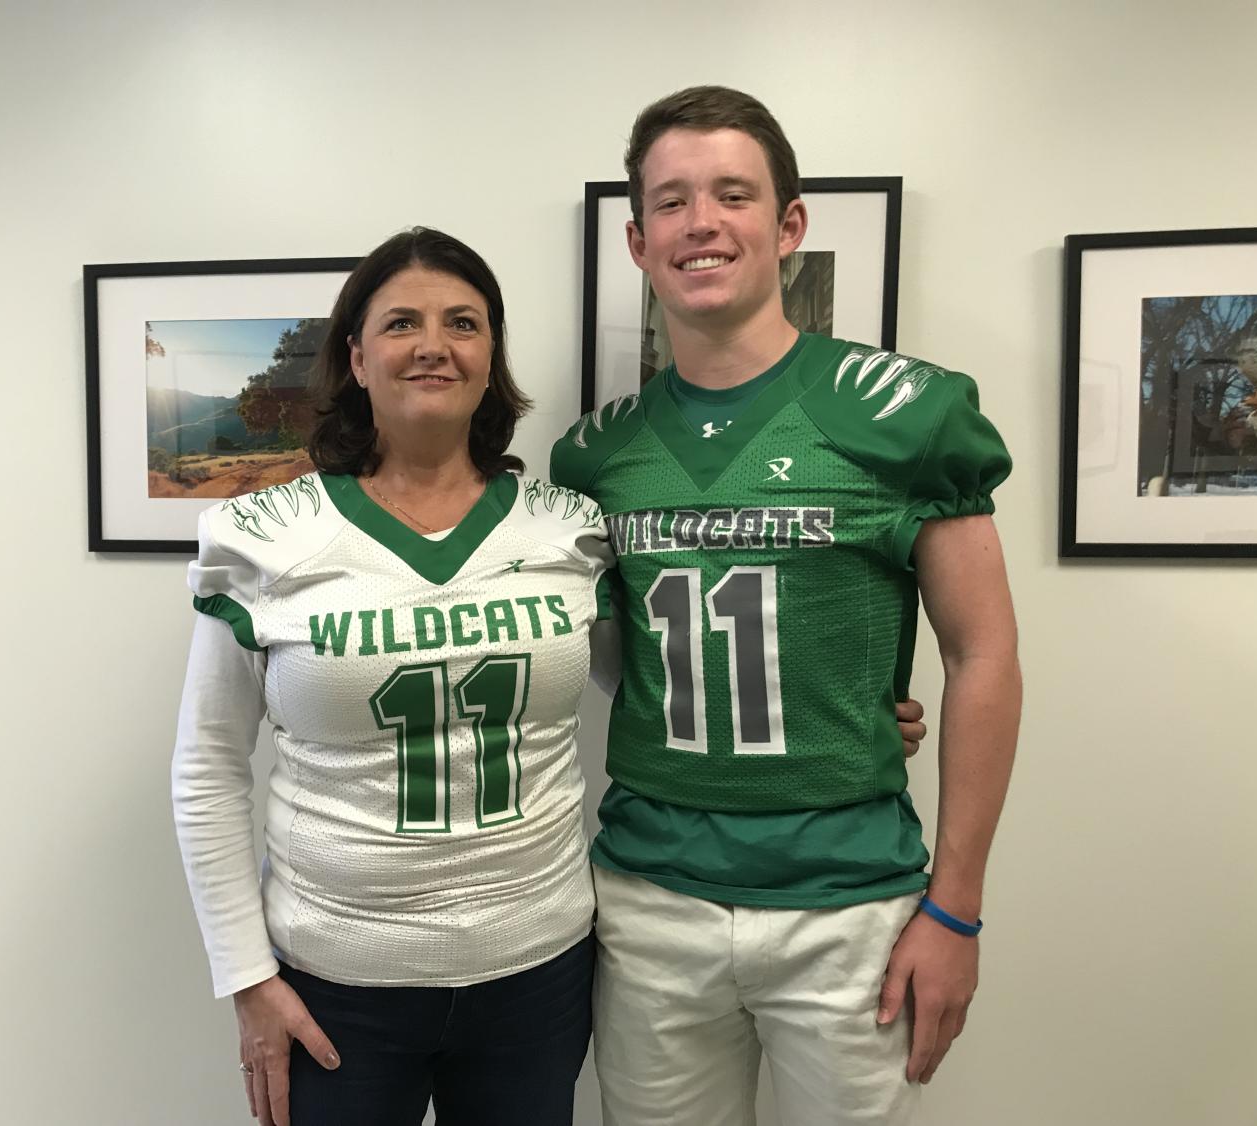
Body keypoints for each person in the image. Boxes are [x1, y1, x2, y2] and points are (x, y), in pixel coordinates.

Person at [171, 226, 931, 1126]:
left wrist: (825, 705)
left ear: (491, 356)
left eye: (463, 322)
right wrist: (247, 975)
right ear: (356, 356)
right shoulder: (266, 533)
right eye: (401, 323)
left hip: (537, 970)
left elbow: (652, 679)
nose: (432, 344)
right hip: (342, 975)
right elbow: (208, 768)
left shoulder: (565, 525)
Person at [550, 86, 1022, 1126]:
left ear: (788, 224)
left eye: (731, 193)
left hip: (847, 896)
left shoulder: (906, 410)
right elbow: (619, 658)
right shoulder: (593, 453)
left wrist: (958, 905)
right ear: (637, 239)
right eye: (670, 202)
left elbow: (982, 655)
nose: (701, 222)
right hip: (650, 888)